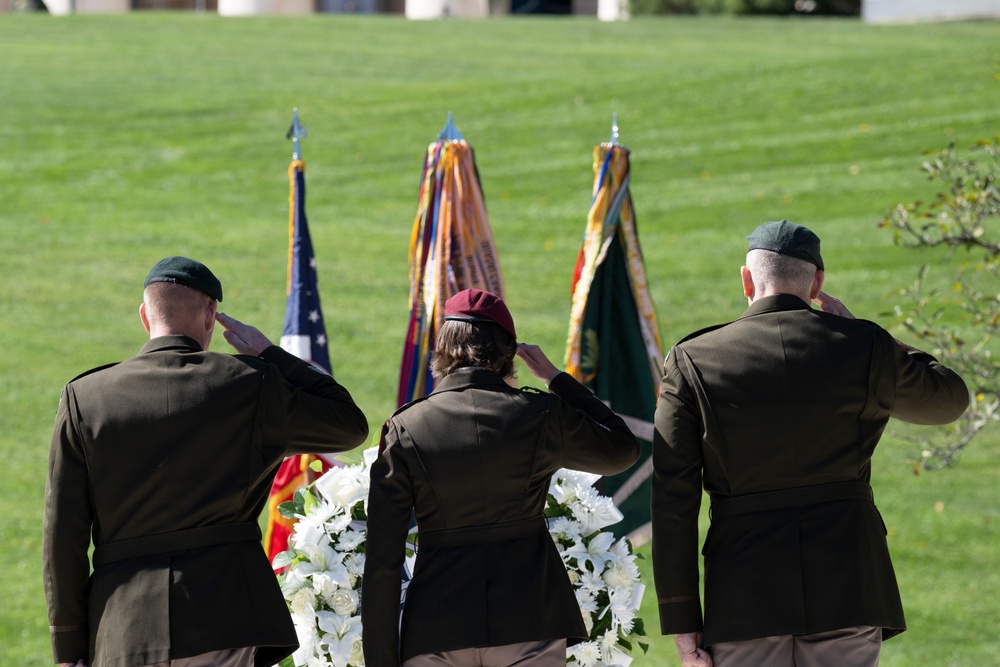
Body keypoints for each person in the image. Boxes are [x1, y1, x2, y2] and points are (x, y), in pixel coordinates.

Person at [651, 221, 969, 667]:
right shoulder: (863, 347)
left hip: (744, 595)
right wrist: (870, 336)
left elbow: (672, 503)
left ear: (746, 280)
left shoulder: (691, 361)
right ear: (817, 282)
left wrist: (682, 621)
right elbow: (948, 400)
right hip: (848, 587)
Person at [43, 256, 370, 667]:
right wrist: (272, 354)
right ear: (211, 315)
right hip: (225, 620)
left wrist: (68, 649)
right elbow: (349, 424)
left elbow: (63, 537)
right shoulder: (251, 384)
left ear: (145, 316)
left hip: (123, 630)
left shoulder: (84, 398)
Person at [362, 288, 640, 667]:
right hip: (530, 623)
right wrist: (557, 379)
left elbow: (383, 556)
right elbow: (622, 449)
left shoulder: (406, 427)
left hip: (438, 628)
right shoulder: (540, 414)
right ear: (509, 354)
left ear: (442, 349)